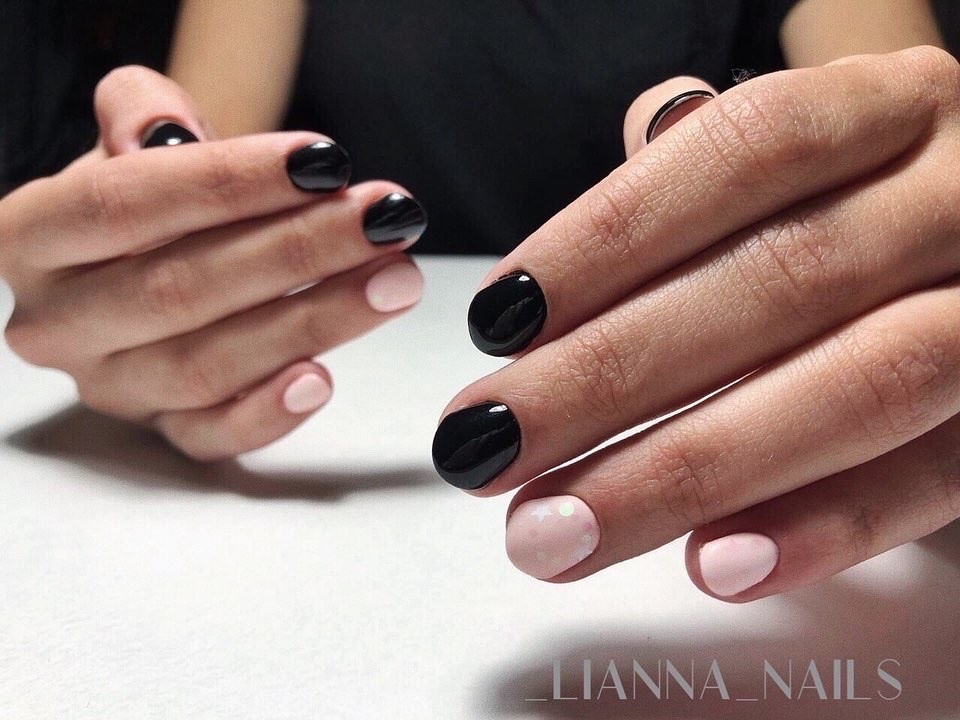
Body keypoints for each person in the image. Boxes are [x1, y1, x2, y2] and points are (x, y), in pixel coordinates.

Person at [1, 0, 958, 602]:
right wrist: (140, 262)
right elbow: (201, 186)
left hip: (739, 457)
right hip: (320, 509)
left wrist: (918, 227)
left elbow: (898, 146)